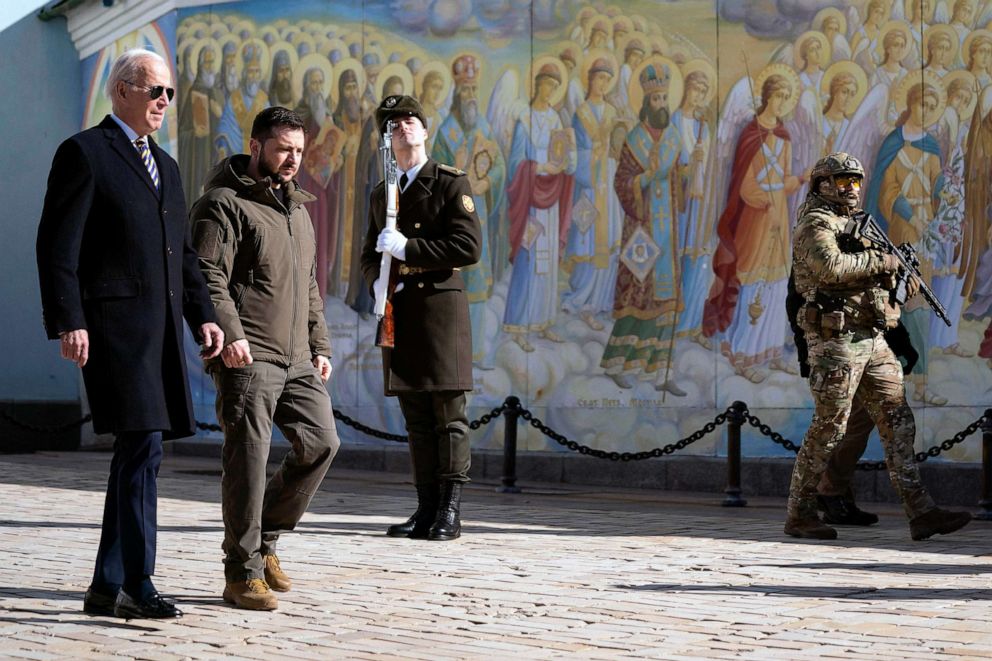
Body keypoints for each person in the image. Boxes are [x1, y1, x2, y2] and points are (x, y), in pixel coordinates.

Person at [36, 48, 224, 619]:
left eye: (169, 93)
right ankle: (135, 583)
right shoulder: (85, 153)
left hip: (161, 332)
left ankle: (107, 584)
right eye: (155, 91)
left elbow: (183, 255)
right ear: (122, 91)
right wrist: (69, 319)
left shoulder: (165, 165)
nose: (165, 102)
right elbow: (57, 246)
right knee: (141, 447)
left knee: (141, 451)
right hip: (114, 332)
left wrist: (204, 315)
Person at [190, 106, 340, 610]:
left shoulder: (298, 209)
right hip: (248, 355)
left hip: (297, 357)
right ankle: (241, 572)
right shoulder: (223, 204)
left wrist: (320, 346)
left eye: (299, 150)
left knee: (321, 442)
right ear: (256, 147)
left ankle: (268, 537)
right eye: (283, 149)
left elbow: (310, 284)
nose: (293, 159)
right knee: (248, 461)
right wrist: (230, 335)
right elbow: (208, 276)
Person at [786, 152, 972, 541]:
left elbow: (872, 283)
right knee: (830, 428)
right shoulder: (815, 224)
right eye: (841, 181)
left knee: (897, 421)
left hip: (872, 339)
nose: (850, 188)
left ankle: (922, 512)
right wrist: (881, 260)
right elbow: (831, 269)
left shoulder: (855, 225)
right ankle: (800, 513)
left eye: (855, 181)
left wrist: (899, 278)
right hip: (835, 342)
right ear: (821, 184)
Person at [360, 95, 482, 541]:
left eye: (410, 120)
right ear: (386, 139)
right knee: (415, 416)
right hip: (399, 311)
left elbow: (468, 247)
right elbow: (368, 253)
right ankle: (425, 507)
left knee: (447, 414)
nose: (403, 127)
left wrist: (408, 250)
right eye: (393, 124)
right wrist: (377, 280)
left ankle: (450, 510)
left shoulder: (449, 182)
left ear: (425, 131)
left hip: (438, 310)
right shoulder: (382, 192)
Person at [787, 272, 919, 526]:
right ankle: (828, 493)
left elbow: (872, 303)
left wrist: (901, 342)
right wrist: (807, 352)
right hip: (837, 352)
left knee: (854, 423)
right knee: (842, 424)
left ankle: (836, 496)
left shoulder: (861, 248)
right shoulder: (825, 250)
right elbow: (797, 302)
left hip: (866, 349)